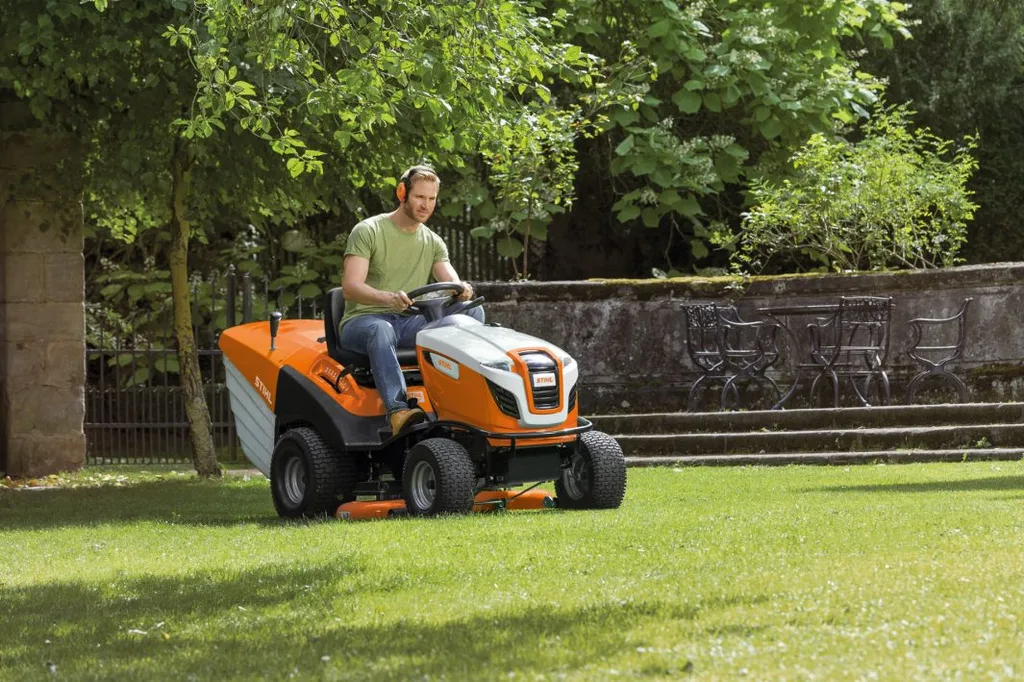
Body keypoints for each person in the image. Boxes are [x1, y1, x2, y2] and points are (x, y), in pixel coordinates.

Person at [339, 165, 485, 434]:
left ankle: (468, 399)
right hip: (363, 321)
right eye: (419, 197)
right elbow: (350, 287)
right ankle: (398, 410)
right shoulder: (368, 230)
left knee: (472, 312)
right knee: (381, 329)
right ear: (402, 193)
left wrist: (463, 289)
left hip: (408, 324)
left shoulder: (433, 242)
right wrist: (387, 298)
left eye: (431, 199)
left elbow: (451, 281)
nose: (425, 205)